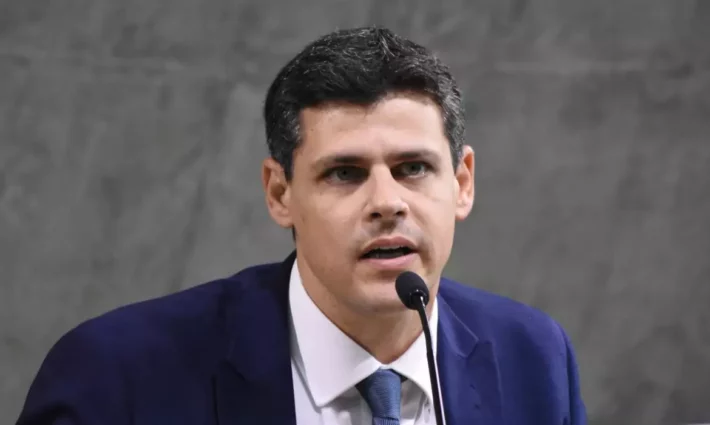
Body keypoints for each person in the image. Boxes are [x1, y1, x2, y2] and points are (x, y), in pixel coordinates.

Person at [16, 26, 586, 425]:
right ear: (279, 193)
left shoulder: (535, 358)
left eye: (413, 168)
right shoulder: (117, 377)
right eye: (345, 173)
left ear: (462, 183)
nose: (387, 203)